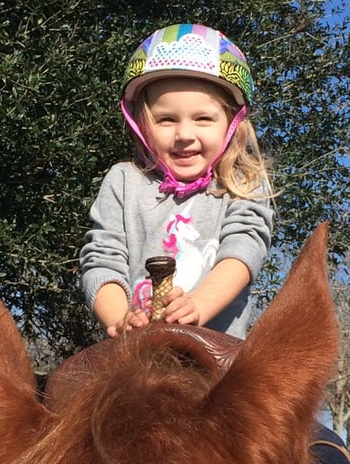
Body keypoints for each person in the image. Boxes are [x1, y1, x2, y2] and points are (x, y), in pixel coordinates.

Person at [80, 23, 274, 338]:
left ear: (231, 124)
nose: (184, 135)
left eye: (203, 119)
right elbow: (102, 260)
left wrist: (197, 306)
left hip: (216, 354)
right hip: (134, 354)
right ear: (142, 125)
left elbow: (243, 250)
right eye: (166, 119)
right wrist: (122, 319)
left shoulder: (243, 182)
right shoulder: (124, 182)